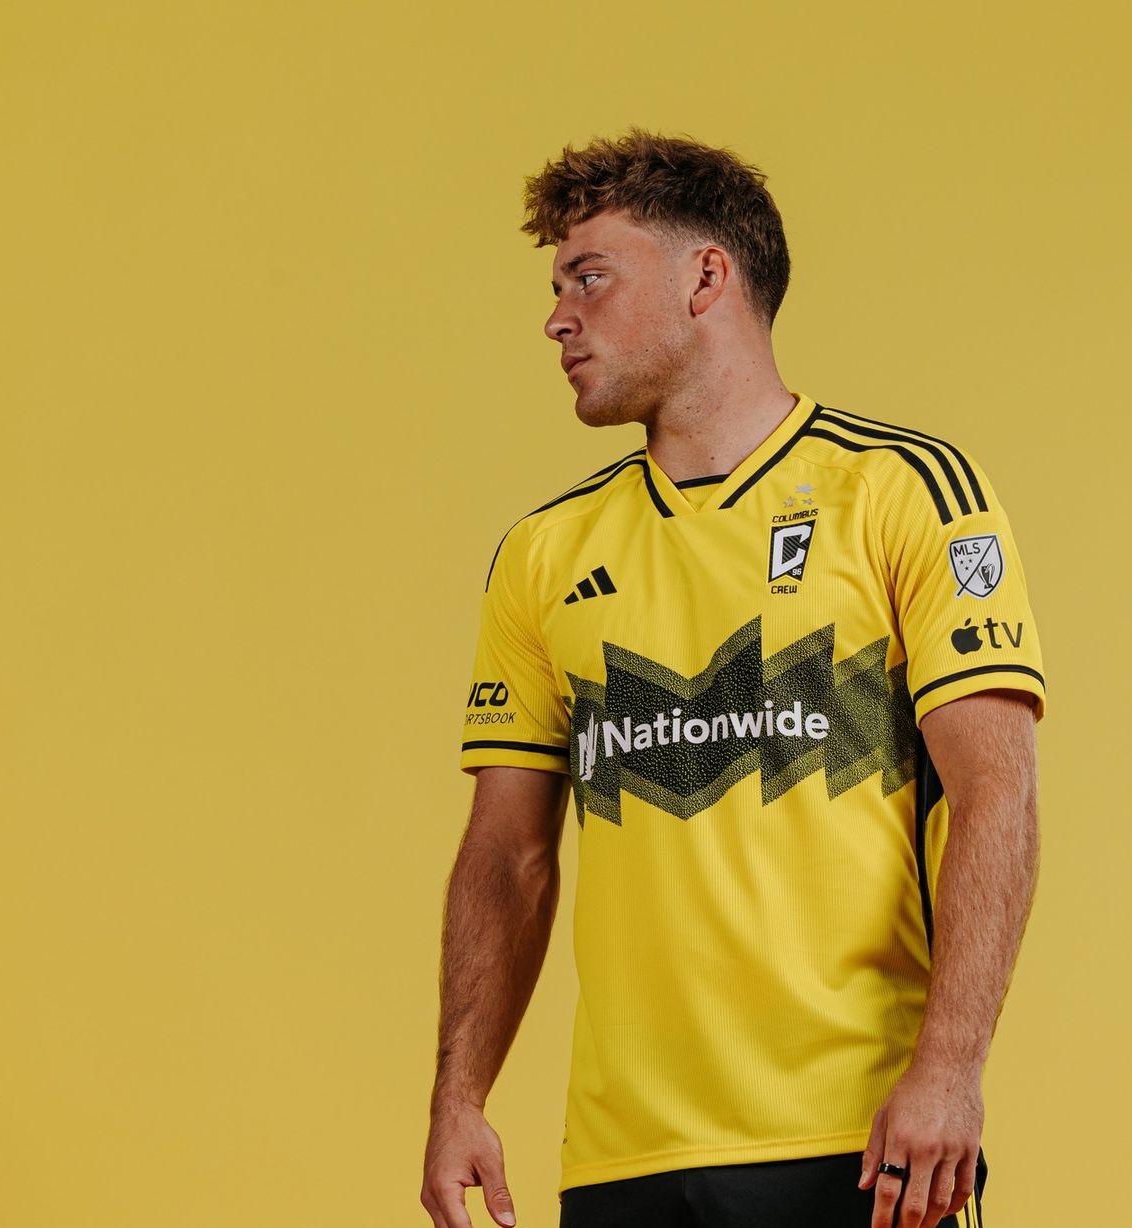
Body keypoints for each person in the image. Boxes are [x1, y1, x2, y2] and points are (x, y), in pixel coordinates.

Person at [421, 128, 1045, 1228]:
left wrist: (950, 1069)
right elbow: (506, 854)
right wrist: (458, 1095)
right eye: (556, 287)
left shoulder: (903, 490)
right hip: (621, 1160)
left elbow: (997, 791)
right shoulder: (541, 553)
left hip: (861, 1142)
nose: (557, 317)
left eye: (589, 277)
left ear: (706, 277)